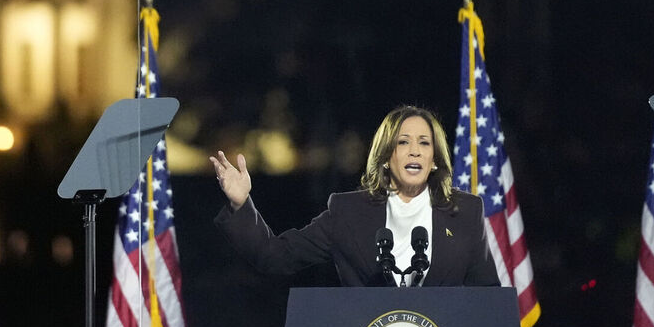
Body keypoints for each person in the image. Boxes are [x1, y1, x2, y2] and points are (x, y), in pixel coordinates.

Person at [210, 104, 500, 287]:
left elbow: (486, 299)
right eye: (403, 142)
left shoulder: (465, 212)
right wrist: (240, 203)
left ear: (434, 159)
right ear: (385, 157)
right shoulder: (347, 213)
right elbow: (274, 257)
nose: (414, 151)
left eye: (424, 143)